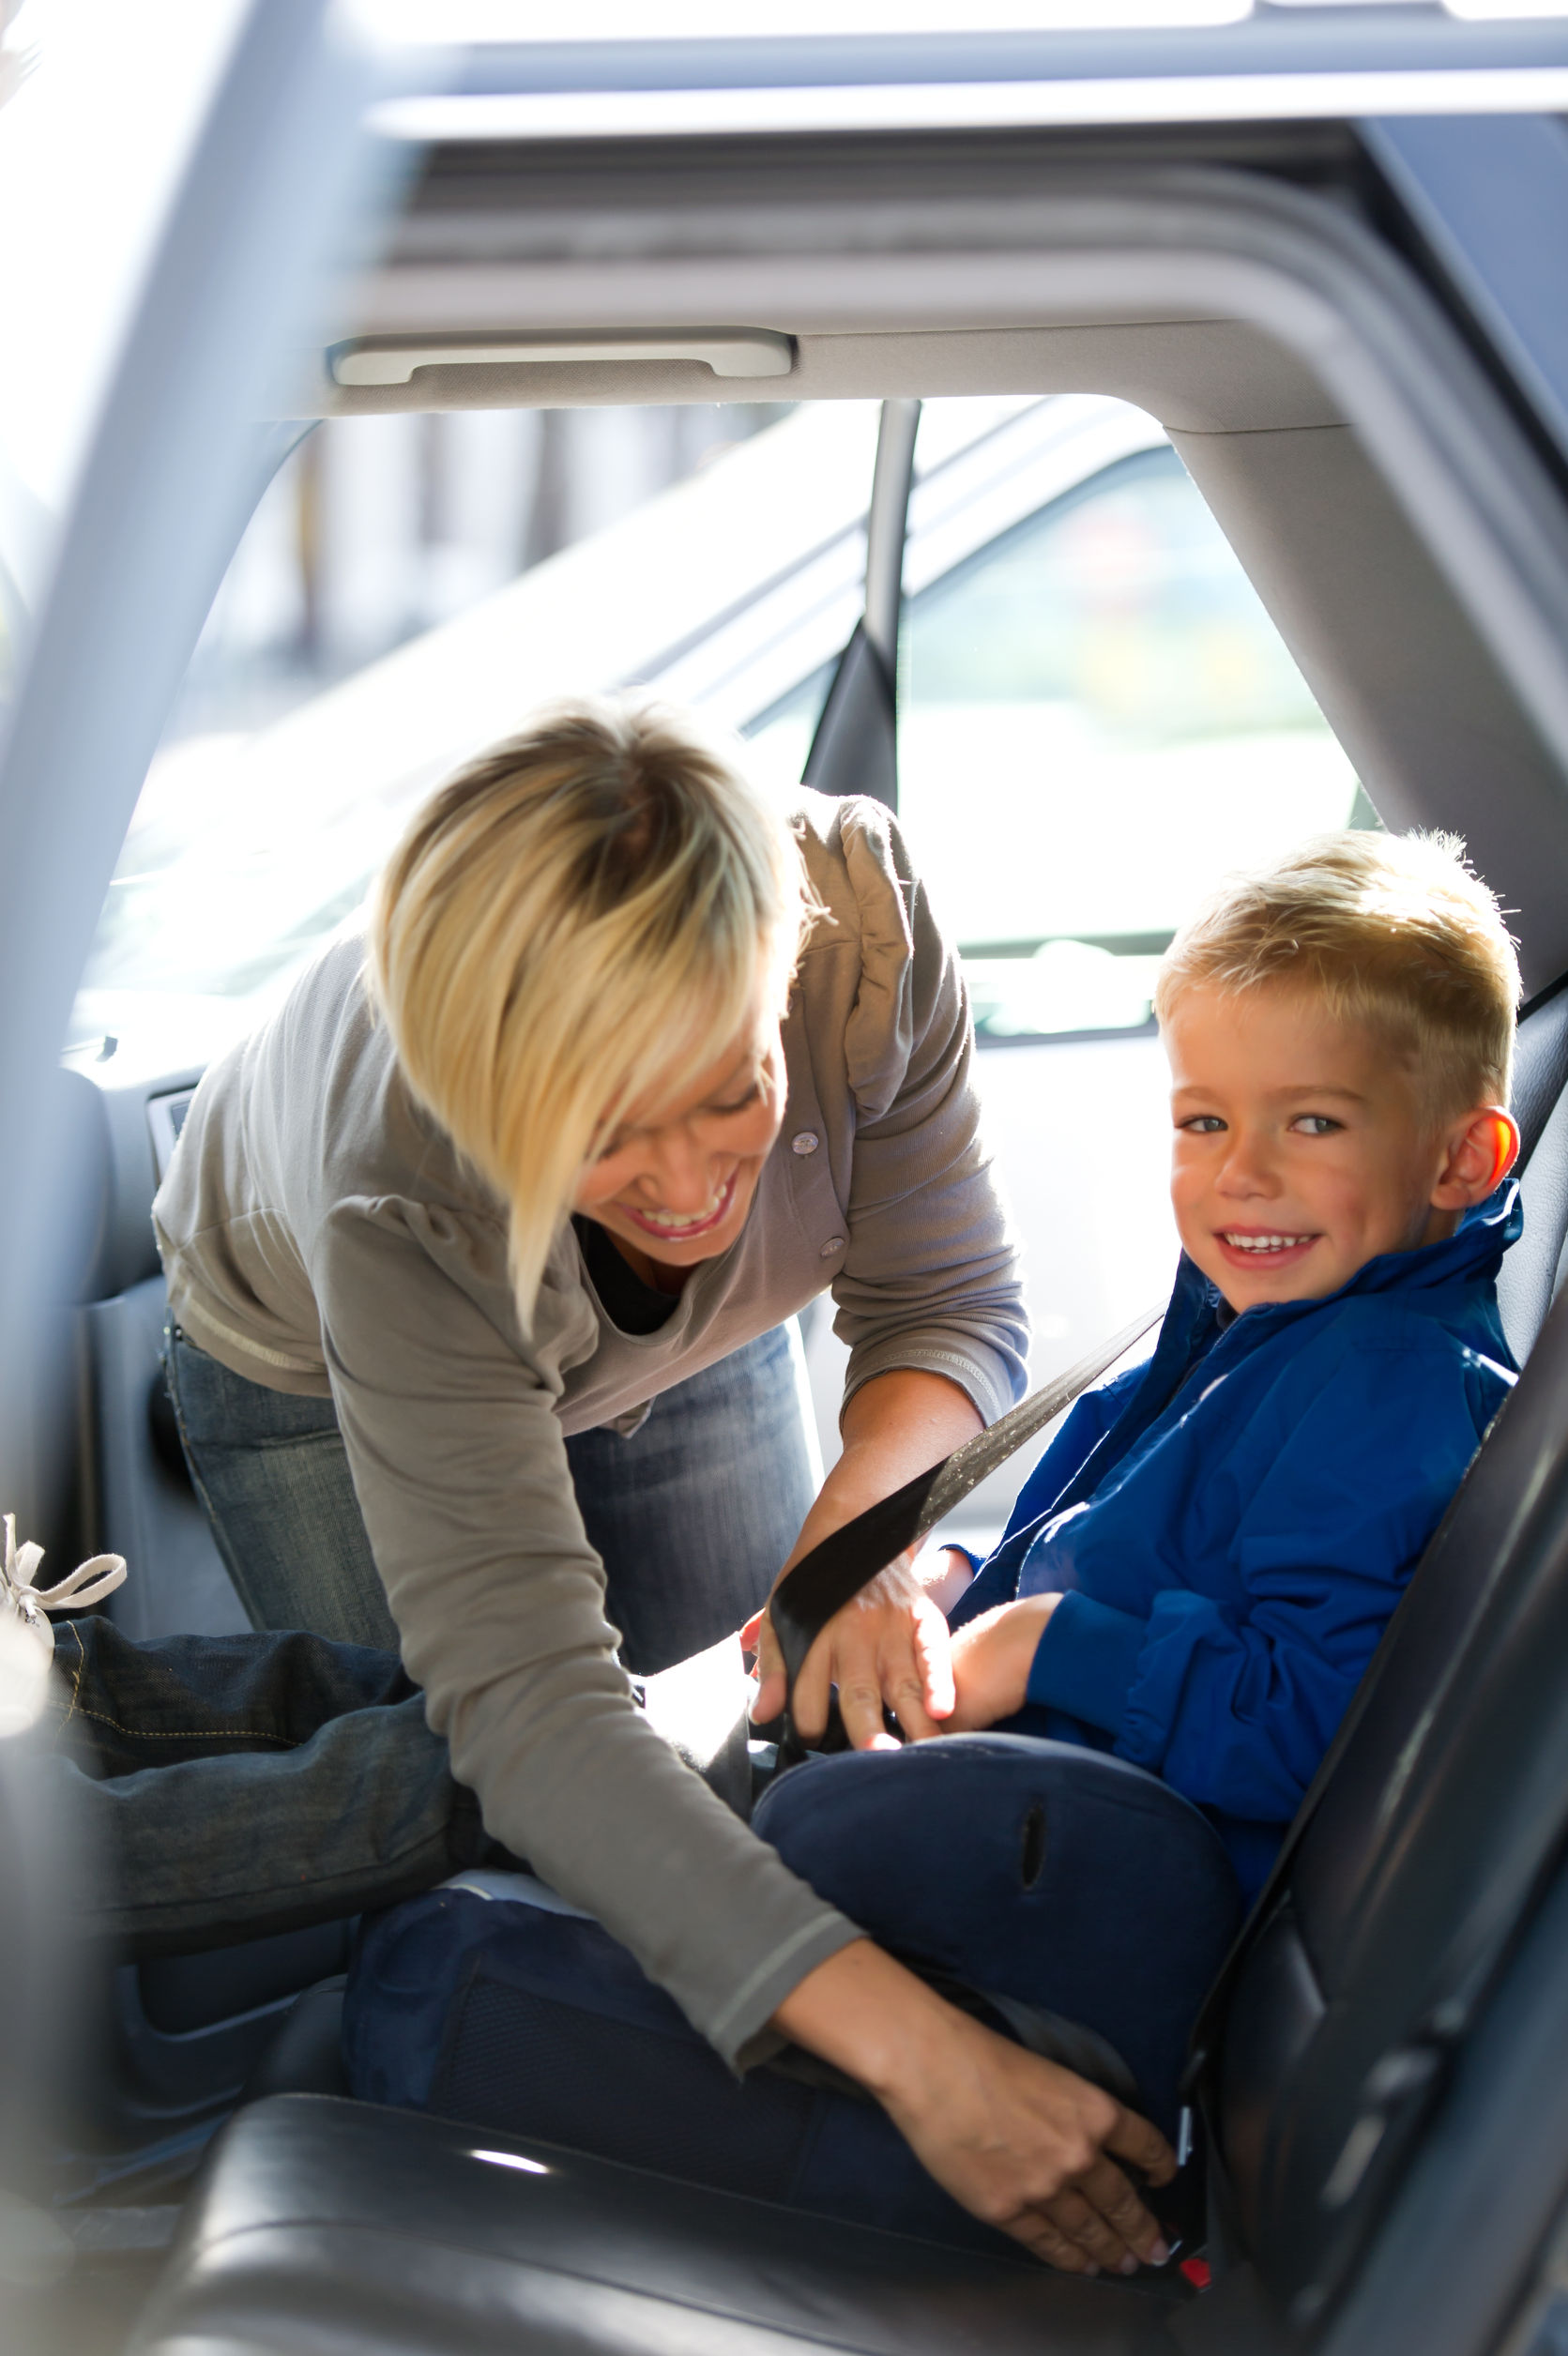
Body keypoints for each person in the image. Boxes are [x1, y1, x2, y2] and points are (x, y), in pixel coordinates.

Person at [119, 693, 1180, 2271]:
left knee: (742, 1772)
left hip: (698, 1354)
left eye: (734, 1094)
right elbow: (540, 1719)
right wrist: (932, 2067)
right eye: (614, 1133)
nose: (691, 1190)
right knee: (469, 1820)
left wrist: (855, 1546)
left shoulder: (861, 929)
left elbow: (949, 1304)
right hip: (320, 1371)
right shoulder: (394, 1183)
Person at [748, 826, 1523, 2222]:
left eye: (1316, 1122)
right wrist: (953, 1578)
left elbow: (1311, 1724)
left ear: (1463, 1159)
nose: (1242, 1174)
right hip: (1038, 1830)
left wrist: (1048, 1646)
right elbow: (1115, 1529)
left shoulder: (1384, 1391)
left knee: (679, 1850)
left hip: (1092, 1928)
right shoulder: (1255, 1319)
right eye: (1203, 1121)